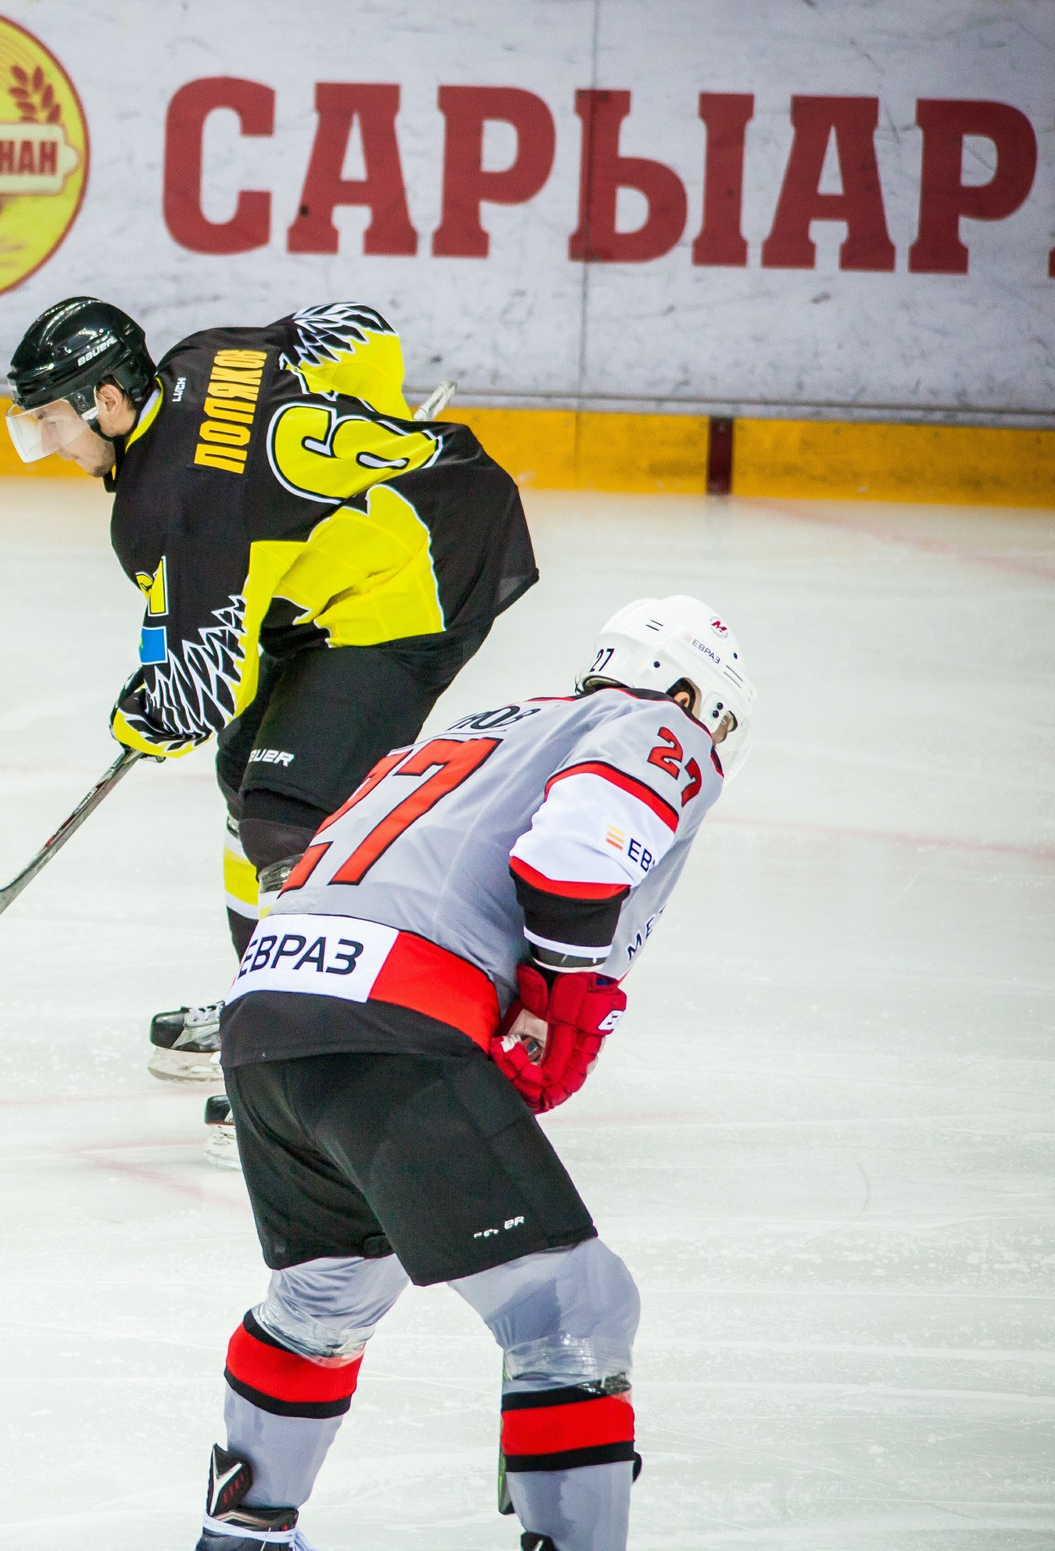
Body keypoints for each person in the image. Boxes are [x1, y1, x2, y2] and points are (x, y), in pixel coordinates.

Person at [193, 597, 752, 1551]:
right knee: (569, 1307)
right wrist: (558, 995)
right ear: (689, 686)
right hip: (389, 1022)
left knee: (327, 1295)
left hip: (266, 1017)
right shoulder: (652, 720)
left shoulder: (485, 729)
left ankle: (241, 1537)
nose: (710, 739)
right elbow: (576, 856)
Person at [2, 299, 537, 1084]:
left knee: (285, 812)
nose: (49, 443)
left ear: (108, 402)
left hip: (418, 573)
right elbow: (359, 329)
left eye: (53, 419)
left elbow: (200, 689)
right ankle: (261, 1000)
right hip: (356, 556)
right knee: (243, 775)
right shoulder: (200, 356)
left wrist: (141, 715)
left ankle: (304, 1049)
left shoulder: (164, 509)